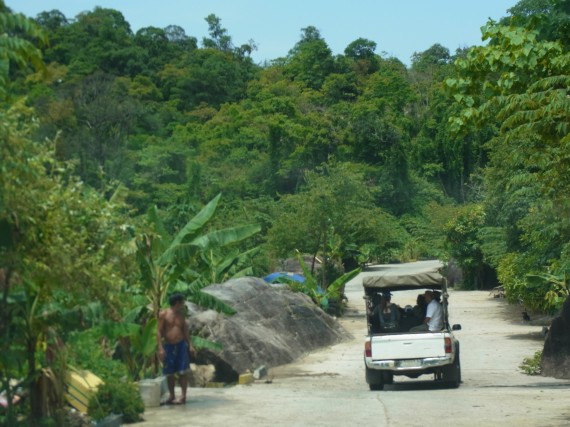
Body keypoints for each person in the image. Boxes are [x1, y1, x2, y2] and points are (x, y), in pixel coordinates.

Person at [157, 293, 193, 405]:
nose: (183, 304)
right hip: (169, 346)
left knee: (183, 372)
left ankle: (183, 396)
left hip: (181, 345)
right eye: (182, 302)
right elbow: (158, 331)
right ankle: (172, 395)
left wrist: (190, 345)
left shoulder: (181, 315)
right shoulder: (164, 314)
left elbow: (185, 331)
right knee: (170, 373)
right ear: (177, 303)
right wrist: (160, 348)